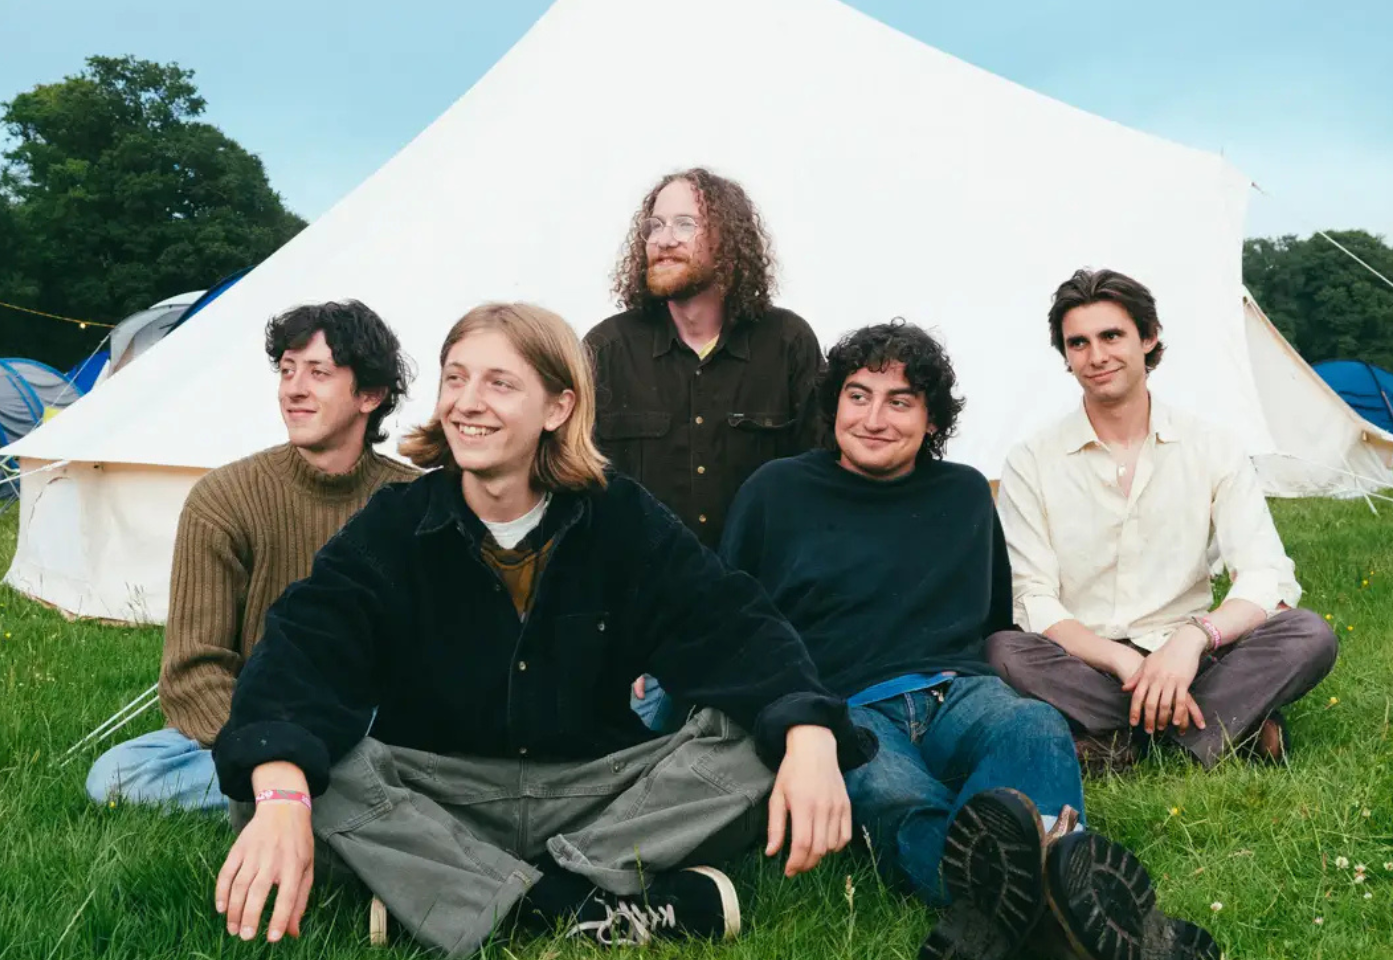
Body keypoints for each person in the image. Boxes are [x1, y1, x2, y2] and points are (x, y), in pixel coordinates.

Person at [209, 303, 875, 956]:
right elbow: (305, 643)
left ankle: (470, 898)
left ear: (557, 407)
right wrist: (282, 794)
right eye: (455, 378)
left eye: (499, 383)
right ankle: (584, 905)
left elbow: (733, 626)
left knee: (763, 741)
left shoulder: (619, 517)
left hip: (597, 791)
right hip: (438, 793)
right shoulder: (396, 524)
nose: (467, 402)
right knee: (275, 778)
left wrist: (809, 734)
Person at [721, 320, 1218, 960]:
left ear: (931, 421)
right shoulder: (776, 491)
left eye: (899, 401)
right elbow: (733, 616)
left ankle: (999, 913)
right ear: (834, 404)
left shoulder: (963, 494)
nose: (874, 417)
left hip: (959, 692)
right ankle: (1094, 919)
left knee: (1034, 726)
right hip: (844, 702)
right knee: (900, 797)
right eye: (858, 395)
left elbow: (991, 617)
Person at [989, 269, 1338, 772]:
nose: (1097, 356)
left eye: (1112, 336)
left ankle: (1120, 738)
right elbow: (1032, 596)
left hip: (1190, 657)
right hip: (1086, 661)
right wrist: (1119, 659)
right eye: (1079, 343)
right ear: (1065, 357)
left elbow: (1264, 574)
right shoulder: (1032, 459)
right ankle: (1216, 728)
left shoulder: (1212, 446)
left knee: (1309, 634)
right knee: (1003, 650)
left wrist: (1194, 640)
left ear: (1148, 338)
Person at [85, 301, 417, 810]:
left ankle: (300, 797)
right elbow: (192, 672)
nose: (294, 389)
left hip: (369, 722)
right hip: (255, 720)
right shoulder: (224, 498)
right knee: (116, 775)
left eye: (319, 373)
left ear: (370, 394)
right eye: (287, 370)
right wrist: (268, 754)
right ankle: (329, 796)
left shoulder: (415, 503)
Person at [586, 167, 824, 730]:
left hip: (764, 621)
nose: (663, 238)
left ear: (730, 240)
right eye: (654, 225)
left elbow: (820, 495)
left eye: (685, 224)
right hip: (647, 630)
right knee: (628, 752)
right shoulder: (606, 349)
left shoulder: (788, 343)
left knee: (760, 747)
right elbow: (580, 501)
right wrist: (617, 637)